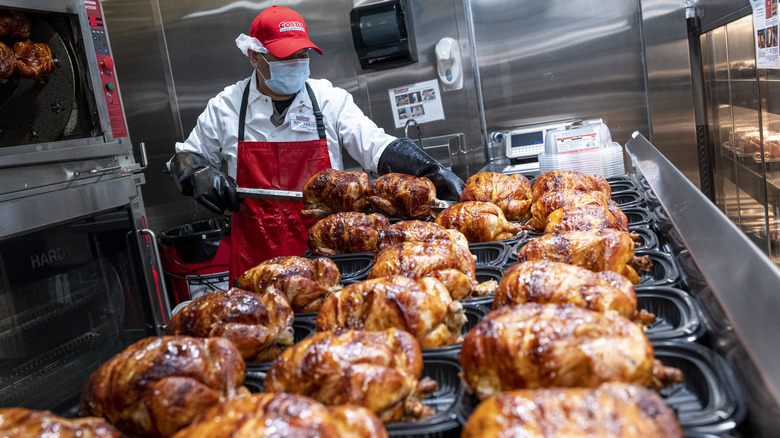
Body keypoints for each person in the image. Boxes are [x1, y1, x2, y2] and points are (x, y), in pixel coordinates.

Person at [168, 5, 464, 279]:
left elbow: (374, 144)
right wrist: (200, 175)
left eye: (302, 54)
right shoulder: (227, 107)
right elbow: (187, 158)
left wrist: (427, 168)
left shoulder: (327, 99)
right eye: (286, 56)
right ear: (254, 56)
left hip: (328, 253)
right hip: (257, 262)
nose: (297, 63)